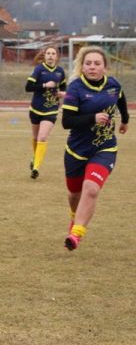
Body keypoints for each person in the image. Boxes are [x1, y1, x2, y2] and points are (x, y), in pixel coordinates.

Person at [61, 46, 129, 251]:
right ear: (82, 66)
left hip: (104, 149)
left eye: (97, 63)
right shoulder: (75, 89)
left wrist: (124, 120)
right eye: (88, 63)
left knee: (91, 189)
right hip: (76, 151)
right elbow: (67, 121)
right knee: (74, 195)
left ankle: (76, 234)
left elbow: (121, 99)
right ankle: (75, 217)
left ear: (105, 67)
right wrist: (93, 118)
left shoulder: (113, 85)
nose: (92, 67)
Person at [25, 46, 66, 179]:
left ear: (57, 56)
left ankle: (36, 167)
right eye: (48, 53)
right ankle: (35, 158)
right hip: (36, 109)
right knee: (36, 138)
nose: (50, 56)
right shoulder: (39, 69)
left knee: (43, 137)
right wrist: (44, 85)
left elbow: (64, 89)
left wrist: (62, 94)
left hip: (51, 109)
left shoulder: (60, 72)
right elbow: (28, 87)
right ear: (45, 55)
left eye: (53, 53)